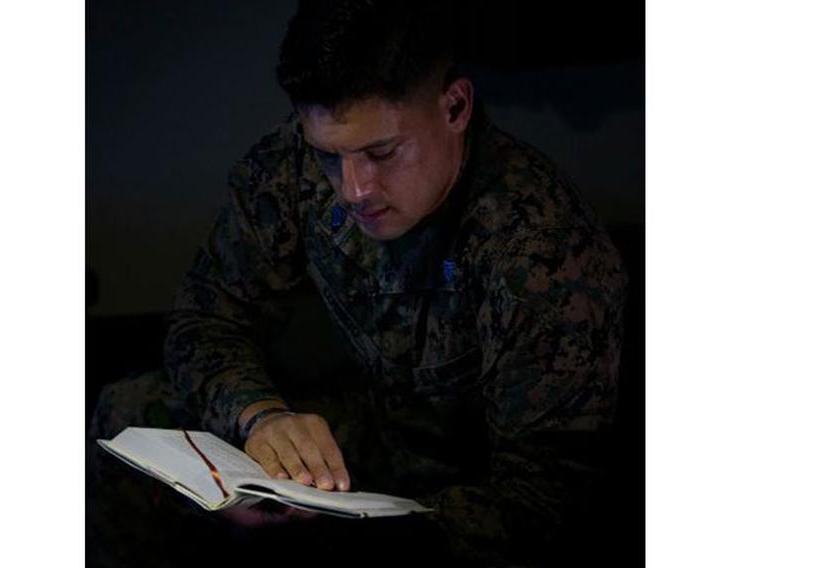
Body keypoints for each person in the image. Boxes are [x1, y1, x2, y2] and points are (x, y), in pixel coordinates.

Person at [89, 1, 628, 566]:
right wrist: (260, 417)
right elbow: (206, 320)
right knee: (129, 410)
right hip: (366, 436)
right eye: (328, 155)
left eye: (382, 152)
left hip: (469, 491)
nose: (353, 189)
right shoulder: (295, 165)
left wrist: (336, 529)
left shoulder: (543, 249)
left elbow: (544, 502)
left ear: (455, 107)